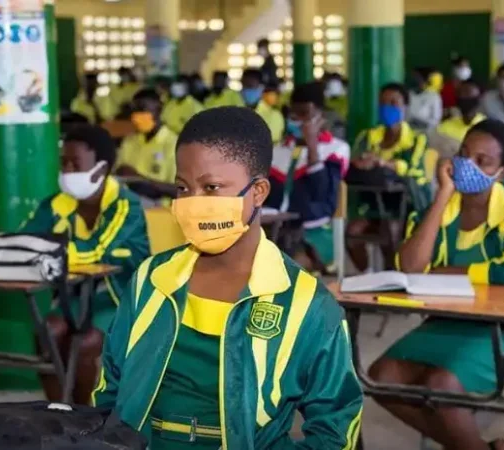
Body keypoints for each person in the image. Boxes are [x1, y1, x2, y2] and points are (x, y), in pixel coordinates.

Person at [93, 106, 363, 449]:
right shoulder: (152, 279)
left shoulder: (305, 303)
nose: (192, 203)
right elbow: (111, 388)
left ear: (258, 191)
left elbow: (336, 426)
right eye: (182, 188)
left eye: (212, 187)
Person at [370, 119, 504, 450]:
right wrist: (442, 196)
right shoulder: (438, 207)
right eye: (465, 154)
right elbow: (410, 267)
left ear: (502, 172)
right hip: (451, 321)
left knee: (441, 384)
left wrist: (452, 271)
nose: (468, 165)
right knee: (381, 378)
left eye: (483, 161)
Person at [22, 124, 150, 404]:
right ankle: (57, 411)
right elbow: (27, 239)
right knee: (48, 332)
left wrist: (51, 253)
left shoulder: (125, 205)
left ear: (101, 169)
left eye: (76, 164)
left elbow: (97, 248)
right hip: (76, 294)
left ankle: (81, 416)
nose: (68, 171)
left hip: (120, 295)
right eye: (64, 163)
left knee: (85, 342)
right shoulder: (59, 203)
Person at [346, 83, 431, 273]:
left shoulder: (417, 139)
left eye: (393, 103)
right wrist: (362, 162)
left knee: (390, 230)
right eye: (383, 103)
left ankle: (394, 276)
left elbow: (412, 168)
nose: (387, 107)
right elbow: (355, 161)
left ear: (405, 107)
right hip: (374, 203)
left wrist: (383, 163)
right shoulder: (367, 137)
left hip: (408, 204)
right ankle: (367, 274)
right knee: (352, 233)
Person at [265, 82, 349, 273]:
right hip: (273, 228)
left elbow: (321, 193)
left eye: (304, 114)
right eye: (292, 114)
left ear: (321, 116)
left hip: (314, 233)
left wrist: (312, 147)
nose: (297, 119)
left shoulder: (336, 149)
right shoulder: (277, 150)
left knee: (284, 266)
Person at [116, 89, 178, 204]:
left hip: (158, 207)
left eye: (142, 110)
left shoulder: (174, 144)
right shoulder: (129, 141)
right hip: (127, 202)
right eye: (134, 110)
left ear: (159, 110)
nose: (136, 115)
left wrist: (140, 180)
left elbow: (179, 190)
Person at [433, 78, 486, 158]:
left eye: (467, 92)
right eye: (460, 93)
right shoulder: (444, 127)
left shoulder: (486, 126)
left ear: (480, 97)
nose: (463, 96)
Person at [241, 68, 284, 143]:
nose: (247, 90)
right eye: (245, 86)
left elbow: (273, 138)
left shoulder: (274, 115)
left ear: (261, 88)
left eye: (251, 87)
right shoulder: (233, 111)